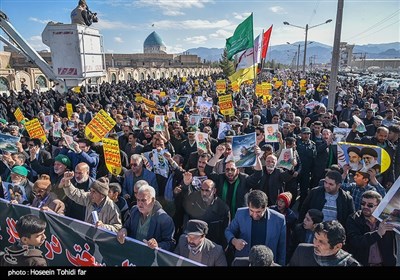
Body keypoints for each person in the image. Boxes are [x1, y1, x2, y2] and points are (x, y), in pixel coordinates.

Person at [225, 189, 286, 266]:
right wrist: (234, 241)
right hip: (244, 261)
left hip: (267, 263)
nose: (254, 215)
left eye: (258, 212)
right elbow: (228, 231)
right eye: (251, 211)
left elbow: (282, 247)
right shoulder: (240, 213)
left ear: (265, 207)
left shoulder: (279, 219)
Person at [116, 184, 175, 252]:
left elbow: (170, 244)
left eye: (143, 200)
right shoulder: (134, 210)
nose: (140, 204)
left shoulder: (165, 219)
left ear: (153, 200)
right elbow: (126, 226)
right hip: (131, 253)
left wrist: (157, 245)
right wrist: (124, 230)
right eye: (138, 200)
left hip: (150, 258)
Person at [346, 190, 397, 266]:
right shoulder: (354, 219)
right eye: (363, 203)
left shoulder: (387, 219)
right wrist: (378, 233)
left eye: (370, 205)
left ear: (379, 206)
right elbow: (355, 241)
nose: (365, 207)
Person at [289, 220, 360, 266]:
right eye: (315, 238)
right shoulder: (302, 251)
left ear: (337, 246)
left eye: (321, 241)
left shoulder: (351, 264)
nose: (315, 244)